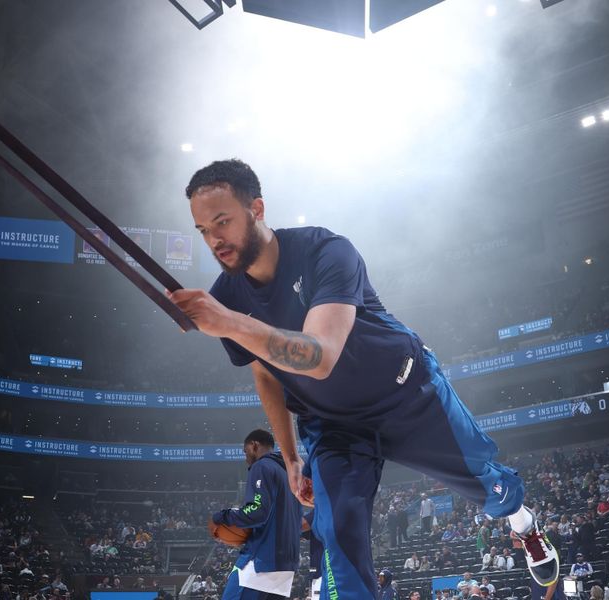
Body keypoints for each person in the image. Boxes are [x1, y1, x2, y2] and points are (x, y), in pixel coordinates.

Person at [174, 159, 560, 599]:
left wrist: (230, 323)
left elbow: (321, 357)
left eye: (222, 221)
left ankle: (523, 522)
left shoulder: (326, 251)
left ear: (257, 208)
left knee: (495, 491)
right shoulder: (227, 296)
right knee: (338, 533)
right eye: (203, 229)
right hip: (333, 425)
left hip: (409, 395)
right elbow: (266, 374)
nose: (214, 239)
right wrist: (291, 455)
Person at [211, 429, 303, 600]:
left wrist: (223, 515)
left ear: (254, 445)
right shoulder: (290, 473)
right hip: (286, 562)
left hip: (263, 558)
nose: (246, 458)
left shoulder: (261, 466)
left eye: (245, 451)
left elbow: (257, 511)